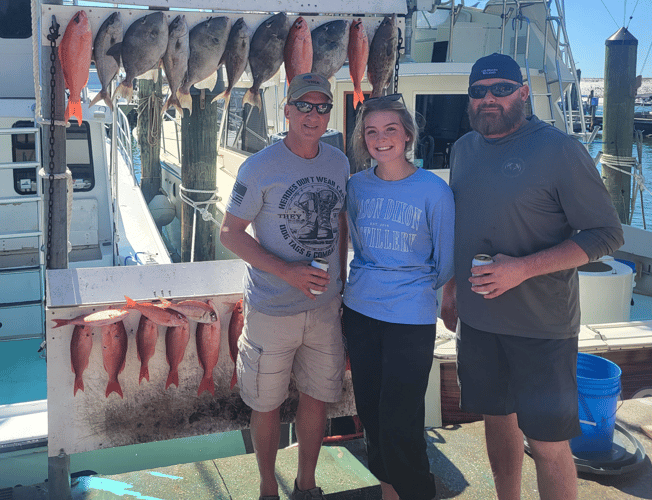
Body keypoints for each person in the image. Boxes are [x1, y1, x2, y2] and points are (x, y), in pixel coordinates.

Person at [441, 53, 624, 500]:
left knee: (547, 443)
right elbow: (464, 226)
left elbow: (607, 234)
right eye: (479, 91)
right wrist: (449, 289)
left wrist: (522, 268)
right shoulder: (463, 150)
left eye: (501, 89)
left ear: (523, 92)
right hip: (479, 324)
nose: (489, 99)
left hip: (541, 329)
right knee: (496, 420)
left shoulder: (560, 149)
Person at [220, 73, 349, 500]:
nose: (314, 115)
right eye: (305, 106)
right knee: (266, 402)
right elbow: (230, 233)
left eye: (323, 106)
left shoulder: (339, 161)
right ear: (288, 110)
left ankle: (306, 485)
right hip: (272, 309)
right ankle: (266, 490)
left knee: (317, 396)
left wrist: (342, 277)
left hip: (325, 308)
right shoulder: (258, 167)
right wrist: (287, 272)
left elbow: (340, 221)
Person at [343, 94, 454, 500]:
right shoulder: (357, 186)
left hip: (411, 318)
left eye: (390, 129)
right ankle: (391, 494)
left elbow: (444, 260)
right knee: (371, 415)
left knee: (400, 422)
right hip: (360, 312)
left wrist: (410, 292)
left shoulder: (434, 191)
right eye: (371, 131)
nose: (381, 138)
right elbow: (358, 245)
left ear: (407, 134)